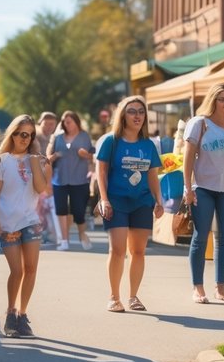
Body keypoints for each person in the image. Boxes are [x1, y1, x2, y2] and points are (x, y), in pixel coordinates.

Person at [97, 96, 165, 312]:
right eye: (132, 111)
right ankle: (113, 297)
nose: (137, 116)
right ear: (122, 116)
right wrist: (104, 199)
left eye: (141, 112)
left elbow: (153, 175)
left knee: (138, 251)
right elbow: (101, 171)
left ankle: (133, 296)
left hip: (142, 202)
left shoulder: (148, 145)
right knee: (117, 249)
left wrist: (158, 200)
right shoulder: (111, 141)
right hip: (116, 201)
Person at [182, 84, 224, 305]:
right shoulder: (199, 124)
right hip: (203, 188)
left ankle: (221, 287)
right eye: (222, 99)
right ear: (213, 100)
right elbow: (188, 157)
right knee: (201, 237)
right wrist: (187, 188)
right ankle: (198, 287)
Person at [0, 115, 50, 338]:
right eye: (22, 134)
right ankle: (10, 313)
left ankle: (22, 315)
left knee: (31, 269)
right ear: (12, 134)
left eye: (30, 135)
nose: (26, 138)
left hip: (31, 221)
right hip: (8, 222)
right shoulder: (2, 160)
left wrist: (35, 162)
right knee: (16, 271)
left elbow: (42, 189)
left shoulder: (38, 160)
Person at [48, 110, 95, 251]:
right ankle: (64, 241)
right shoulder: (57, 137)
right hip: (59, 179)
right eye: (65, 122)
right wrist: (54, 156)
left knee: (79, 212)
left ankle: (82, 234)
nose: (67, 124)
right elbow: (48, 157)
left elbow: (92, 157)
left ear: (76, 122)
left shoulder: (84, 136)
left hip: (79, 180)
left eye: (69, 121)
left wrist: (85, 155)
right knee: (61, 210)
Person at [34, 112, 60, 244]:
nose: (49, 126)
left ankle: (46, 232)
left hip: (48, 175)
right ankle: (39, 232)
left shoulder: (54, 137)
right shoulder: (36, 136)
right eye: (47, 123)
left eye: (52, 124)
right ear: (40, 122)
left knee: (45, 206)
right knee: (38, 206)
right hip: (37, 175)